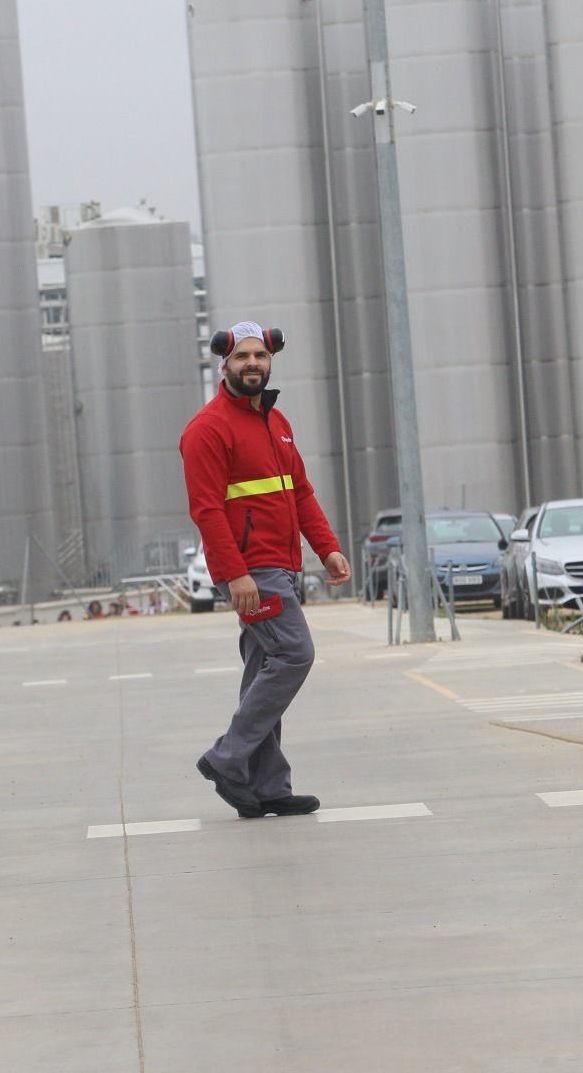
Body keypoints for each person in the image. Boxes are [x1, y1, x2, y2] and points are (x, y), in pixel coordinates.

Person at [182, 322, 350, 819]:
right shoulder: (207, 430)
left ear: (270, 359)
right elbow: (207, 510)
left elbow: (300, 493)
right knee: (296, 653)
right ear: (224, 365)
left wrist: (328, 548)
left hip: (283, 564)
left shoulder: (277, 423)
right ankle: (226, 757)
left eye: (259, 355)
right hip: (253, 570)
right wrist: (235, 575)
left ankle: (268, 785)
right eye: (242, 357)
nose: (252, 364)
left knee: (263, 670)